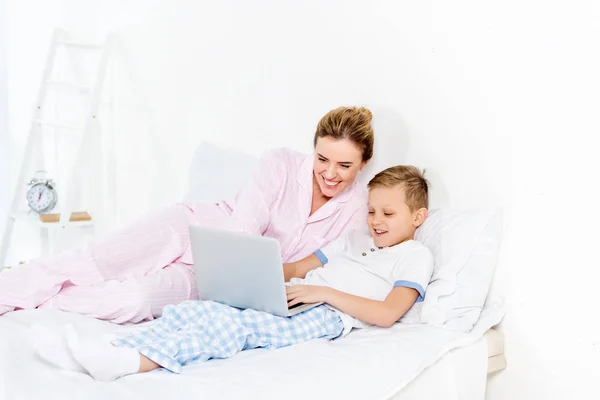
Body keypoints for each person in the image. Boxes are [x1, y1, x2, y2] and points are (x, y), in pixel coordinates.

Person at [32, 165, 434, 381]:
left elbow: (386, 314)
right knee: (198, 311)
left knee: (233, 329)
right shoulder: (352, 242)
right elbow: (294, 268)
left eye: (387, 214)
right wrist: (244, 268)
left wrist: (324, 295)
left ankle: (129, 363)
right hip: (294, 294)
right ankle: (116, 349)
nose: (376, 221)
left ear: (419, 217)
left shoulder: (413, 255)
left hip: (324, 314)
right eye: (371, 211)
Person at [0, 106, 374, 323]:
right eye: (322, 159)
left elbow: (338, 260)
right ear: (313, 149)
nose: (328, 173)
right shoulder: (281, 163)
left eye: (344, 165)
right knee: (94, 261)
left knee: (136, 301)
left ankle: (38, 303)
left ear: (363, 164)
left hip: (219, 283)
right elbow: (244, 225)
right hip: (190, 228)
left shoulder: (358, 208)